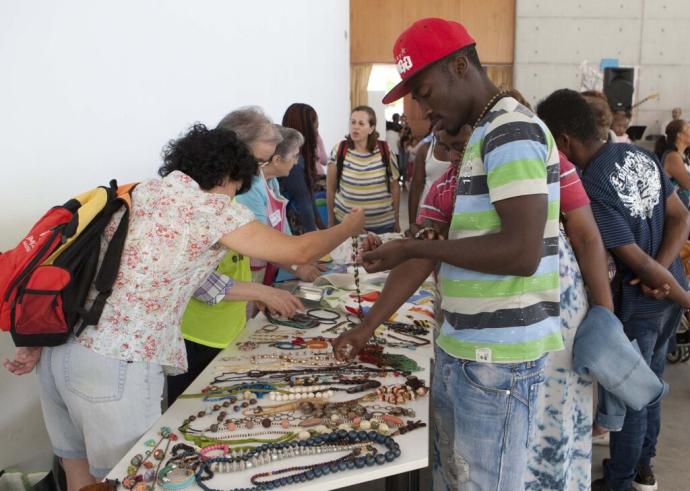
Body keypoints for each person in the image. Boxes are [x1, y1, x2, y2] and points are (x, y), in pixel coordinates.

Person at [4, 124, 364, 491]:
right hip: (117, 364)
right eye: (236, 190)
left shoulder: (140, 192)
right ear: (228, 176)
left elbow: (174, 278)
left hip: (58, 355)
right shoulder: (208, 209)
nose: (233, 198)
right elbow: (298, 251)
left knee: (78, 477)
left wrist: (260, 292)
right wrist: (349, 225)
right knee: (130, 481)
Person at [333, 18, 563, 490]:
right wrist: (367, 325)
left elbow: (521, 252)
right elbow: (439, 250)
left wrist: (410, 246)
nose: (422, 109)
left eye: (424, 91)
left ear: (460, 66)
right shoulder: (479, 140)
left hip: (497, 359)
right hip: (464, 347)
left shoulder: (511, 131)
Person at [537, 89, 690, 491]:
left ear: (565, 140)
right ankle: (644, 468)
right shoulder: (641, 155)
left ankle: (621, 480)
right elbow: (681, 218)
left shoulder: (592, 184)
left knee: (631, 393)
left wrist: (658, 275)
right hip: (664, 292)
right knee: (652, 385)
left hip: (643, 301)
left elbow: (633, 259)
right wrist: (664, 268)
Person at [167, 114, 307, 405]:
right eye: (257, 162)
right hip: (195, 333)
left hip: (223, 328)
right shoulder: (205, 208)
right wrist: (262, 290)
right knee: (189, 412)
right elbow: (201, 282)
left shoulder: (222, 198)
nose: (255, 172)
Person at [237, 126, 325, 283]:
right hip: (250, 271)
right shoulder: (251, 189)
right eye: (294, 156)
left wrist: (301, 259)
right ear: (276, 160)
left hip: (269, 266)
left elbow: (284, 230)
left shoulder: (272, 182)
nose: (297, 162)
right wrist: (297, 268)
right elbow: (262, 242)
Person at [327, 105, 401, 233]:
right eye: (353, 122)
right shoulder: (339, 150)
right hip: (346, 225)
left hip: (383, 226)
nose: (355, 127)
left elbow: (395, 187)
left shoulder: (386, 150)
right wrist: (331, 220)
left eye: (361, 123)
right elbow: (330, 189)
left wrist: (396, 219)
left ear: (371, 128)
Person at [279, 103, 324, 233]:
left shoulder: (299, 156)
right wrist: (314, 236)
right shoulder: (293, 163)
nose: (317, 130)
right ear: (307, 128)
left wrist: (321, 227)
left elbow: (308, 196)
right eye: (315, 124)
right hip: (294, 229)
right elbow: (303, 202)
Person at [407, 130, 452, 230]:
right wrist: (412, 224)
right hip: (427, 217)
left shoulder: (460, 149)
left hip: (453, 217)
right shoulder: (425, 150)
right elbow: (415, 188)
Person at [655, 118, 690, 208]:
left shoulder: (684, 155)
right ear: (679, 135)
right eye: (688, 128)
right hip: (676, 211)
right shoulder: (673, 157)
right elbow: (687, 183)